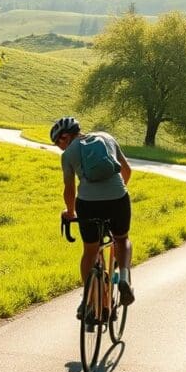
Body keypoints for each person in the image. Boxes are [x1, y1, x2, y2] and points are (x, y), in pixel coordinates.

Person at [50, 116, 135, 317]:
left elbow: (69, 190)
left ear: (64, 137)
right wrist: (115, 195)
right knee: (122, 239)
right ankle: (123, 278)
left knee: (90, 250)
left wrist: (70, 213)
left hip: (88, 204)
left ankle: (89, 299)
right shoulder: (106, 138)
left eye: (57, 143)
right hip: (117, 199)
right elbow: (127, 171)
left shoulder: (68, 155)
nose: (59, 148)